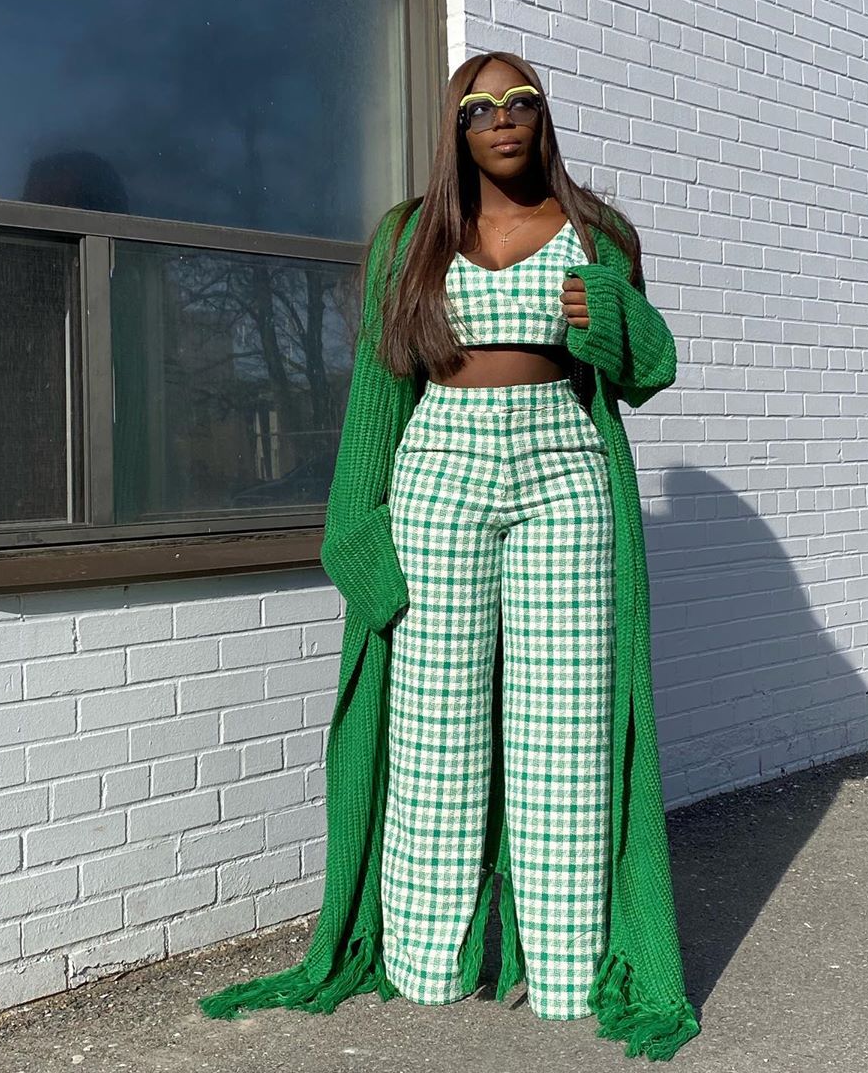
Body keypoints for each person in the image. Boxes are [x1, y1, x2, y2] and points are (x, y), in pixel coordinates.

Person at [199, 51, 701, 1062]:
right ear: (456, 130)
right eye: (480, 108)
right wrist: (354, 526)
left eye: (521, 102)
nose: (502, 119)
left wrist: (611, 318)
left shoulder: (599, 232)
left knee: (569, 725)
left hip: (564, 469)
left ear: (542, 118)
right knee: (434, 722)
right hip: (441, 468)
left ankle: (568, 968)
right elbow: (380, 387)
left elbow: (653, 369)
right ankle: (425, 961)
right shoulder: (409, 235)